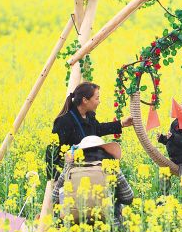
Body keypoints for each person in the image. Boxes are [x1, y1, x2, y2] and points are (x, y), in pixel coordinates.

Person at [50, 82, 134, 222]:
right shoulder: (64, 122)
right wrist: (60, 174)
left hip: (93, 172)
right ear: (85, 100)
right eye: (97, 98)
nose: (99, 102)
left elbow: (98, 129)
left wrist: (121, 124)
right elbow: (52, 154)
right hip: (75, 176)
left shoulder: (89, 116)